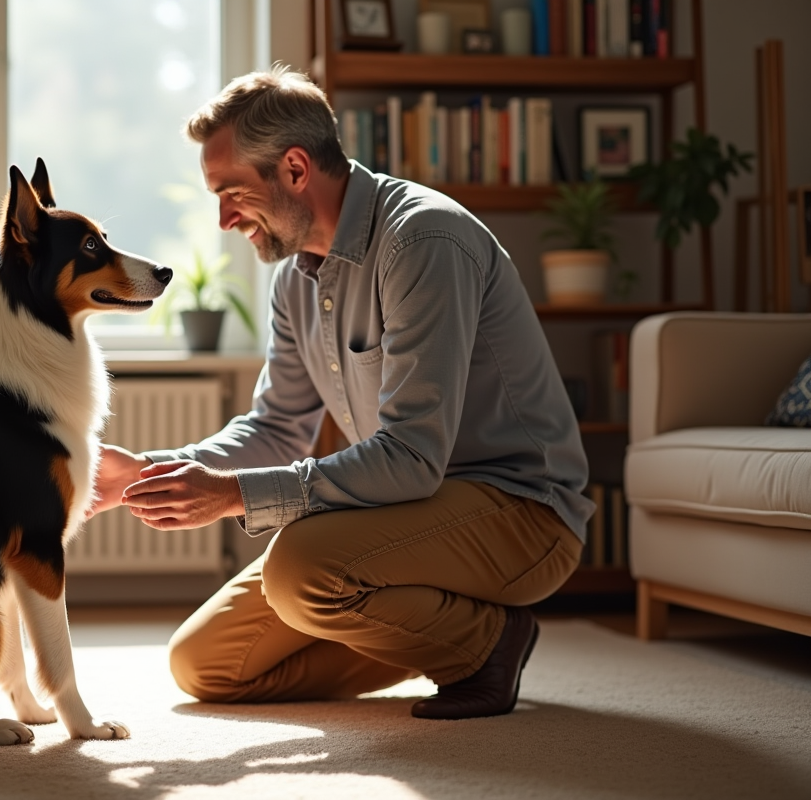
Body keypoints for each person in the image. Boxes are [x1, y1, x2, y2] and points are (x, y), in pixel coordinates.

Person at [90, 67, 594, 720]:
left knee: (300, 569)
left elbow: (413, 457)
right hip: (410, 515)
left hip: (522, 515)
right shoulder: (294, 281)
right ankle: (433, 624)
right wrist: (151, 471)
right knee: (206, 663)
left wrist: (234, 495)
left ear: (295, 169)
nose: (222, 220)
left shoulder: (424, 241)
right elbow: (276, 427)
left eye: (232, 193)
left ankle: (488, 639)